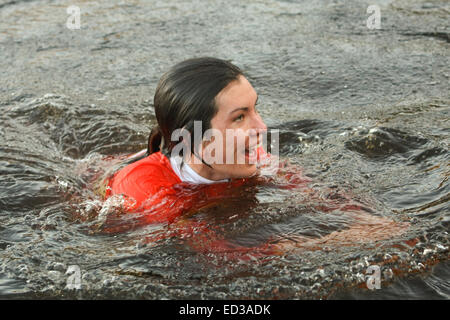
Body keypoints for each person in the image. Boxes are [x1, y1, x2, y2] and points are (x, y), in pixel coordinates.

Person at [98, 57, 408, 259]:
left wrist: (370, 221)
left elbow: (316, 194)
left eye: (255, 109)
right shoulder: (145, 189)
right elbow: (219, 258)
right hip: (113, 177)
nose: (262, 128)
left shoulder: (248, 156)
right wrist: (340, 242)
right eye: (239, 118)